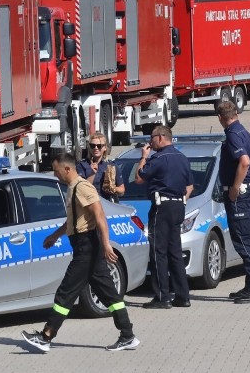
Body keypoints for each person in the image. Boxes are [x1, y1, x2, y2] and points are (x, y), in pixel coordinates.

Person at [21, 152, 139, 353]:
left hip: (88, 247)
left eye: (57, 171)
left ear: (68, 169)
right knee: (108, 293)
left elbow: (100, 215)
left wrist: (106, 244)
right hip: (83, 245)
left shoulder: (82, 187)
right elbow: (74, 220)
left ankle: (46, 335)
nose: (55, 175)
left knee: (66, 292)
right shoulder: (72, 188)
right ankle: (127, 335)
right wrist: (55, 236)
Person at [135, 125, 194, 309]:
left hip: (162, 207)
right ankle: (183, 296)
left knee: (158, 251)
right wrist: (181, 200)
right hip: (178, 206)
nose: (150, 142)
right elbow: (190, 186)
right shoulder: (182, 158)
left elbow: (139, 178)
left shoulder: (158, 158)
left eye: (152, 138)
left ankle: (163, 297)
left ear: (160, 138)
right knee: (175, 251)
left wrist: (143, 157)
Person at [217, 101, 250, 304]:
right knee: (246, 239)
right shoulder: (242, 131)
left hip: (240, 196)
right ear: (235, 113)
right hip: (247, 193)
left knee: (244, 242)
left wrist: (235, 188)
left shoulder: (233, 135)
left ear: (220, 118)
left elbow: (244, 161)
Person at [76, 132, 125, 202]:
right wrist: (92, 174)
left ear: (104, 148)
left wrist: (112, 188)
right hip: (90, 204)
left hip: (108, 204)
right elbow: (81, 189)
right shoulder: (81, 165)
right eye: (93, 146)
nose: (96, 148)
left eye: (99, 146)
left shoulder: (111, 166)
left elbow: (122, 190)